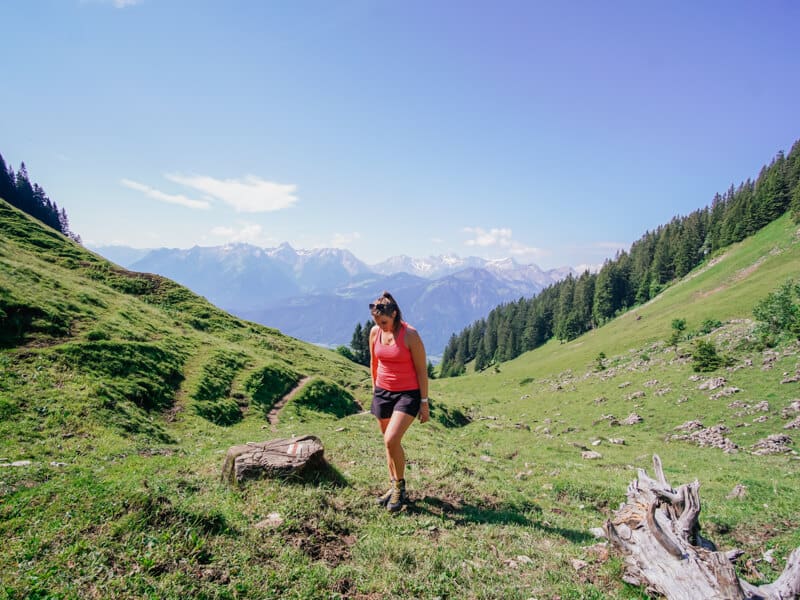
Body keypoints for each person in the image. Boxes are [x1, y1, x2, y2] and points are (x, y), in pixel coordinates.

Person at [369, 291, 429, 512]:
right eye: (376, 321)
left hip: (407, 394)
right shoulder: (375, 332)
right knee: (388, 443)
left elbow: (422, 371)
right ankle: (393, 485)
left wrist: (424, 402)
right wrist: (375, 389)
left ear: (394, 314)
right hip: (383, 392)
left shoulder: (410, 335)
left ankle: (399, 488)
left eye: (384, 321)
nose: (380, 325)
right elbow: (374, 362)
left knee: (391, 439)